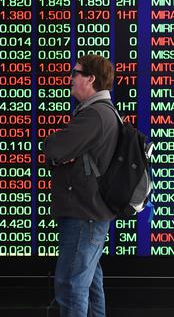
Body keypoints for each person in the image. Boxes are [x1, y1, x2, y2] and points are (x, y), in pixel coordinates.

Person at [43, 54, 119, 317]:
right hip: (91, 215)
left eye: (76, 73)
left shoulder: (94, 116)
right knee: (90, 286)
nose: (71, 78)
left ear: (91, 79)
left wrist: (58, 147)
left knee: (71, 286)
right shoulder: (104, 113)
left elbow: (53, 148)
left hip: (83, 215)